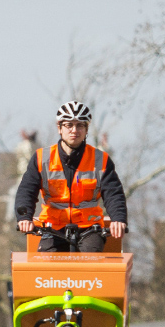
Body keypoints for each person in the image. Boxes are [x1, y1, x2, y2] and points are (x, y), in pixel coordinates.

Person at [15, 101, 127, 252]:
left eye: (80, 125)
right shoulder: (42, 158)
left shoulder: (101, 160)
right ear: (59, 128)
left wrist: (118, 220)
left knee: (91, 263)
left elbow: (113, 194)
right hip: (52, 228)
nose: (74, 130)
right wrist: (24, 217)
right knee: (45, 266)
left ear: (86, 129)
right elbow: (26, 190)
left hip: (89, 229)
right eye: (69, 125)